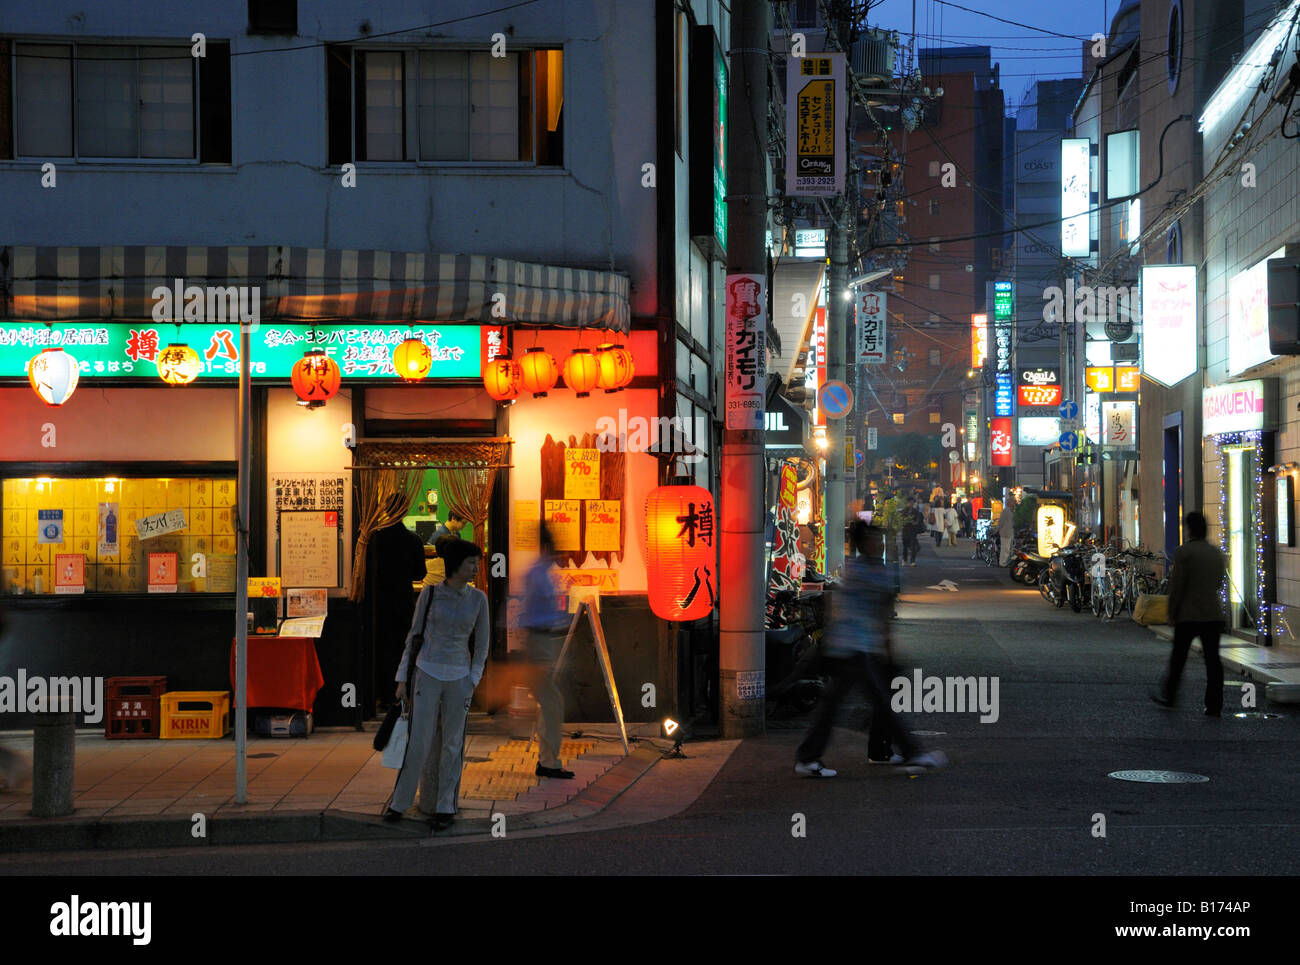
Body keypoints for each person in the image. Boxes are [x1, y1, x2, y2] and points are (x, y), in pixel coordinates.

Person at [795, 521, 946, 777]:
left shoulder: (856, 569)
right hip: (856, 647)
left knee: (837, 704)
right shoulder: (874, 573)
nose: (881, 544)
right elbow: (883, 613)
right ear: (865, 544)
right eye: (876, 540)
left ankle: (810, 758)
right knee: (878, 701)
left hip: (848, 645)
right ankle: (912, 753)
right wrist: (887, 649)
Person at [384, 537, 490, 830]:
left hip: (460, 676)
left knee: (453, 745)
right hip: (426, 672)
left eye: (477, 564)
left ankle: (446, 806)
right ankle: (399, 803)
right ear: (455, 564)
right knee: (418, 741)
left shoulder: (479, 599)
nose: (475, 569)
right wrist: (402, 677)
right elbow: (414, 637)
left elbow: (482, 644)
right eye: (471, 564)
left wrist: (473, 678)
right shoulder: (429, 595)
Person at [1153, 511, 1227, 716]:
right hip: (1212, 614)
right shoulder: (1216, 553)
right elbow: (1219, 581)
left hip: (1188, 614)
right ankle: (1214, 704)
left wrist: (1171, 612)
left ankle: (1170, 696)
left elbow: (1177, 586)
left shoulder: (1185, 552)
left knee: (1179, 658)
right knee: (1213, 661)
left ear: (1189, 529)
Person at [520, 524, 574, 779]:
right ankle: (549, 762)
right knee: (551, 703)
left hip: (541, 640)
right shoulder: (539, 574)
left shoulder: (540, 572)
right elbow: (532, 613)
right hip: (540, 640)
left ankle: (548, 760)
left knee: (550, 702)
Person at [371, 519, 430, 713]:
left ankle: (385, 696)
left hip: (379, 602)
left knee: (383, 648)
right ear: (403, 512)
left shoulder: (376, 538)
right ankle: (405, 695)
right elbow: (420, 572)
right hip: (403, 601)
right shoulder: (412, 539)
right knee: (404, 648)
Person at [900, 497, 923, 566]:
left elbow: (918, 521)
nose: (911, 504)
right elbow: (901, 520)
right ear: (907, 503)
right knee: (905, 547)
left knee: (913, 547)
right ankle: (904, 560)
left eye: (912, 503)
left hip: (912, 531)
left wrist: (914, 522)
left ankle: (912, 561)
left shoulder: (915, 511)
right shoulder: (904, 511)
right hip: (905, 530)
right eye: (910, 502)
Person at [998, 497, 1016, 567]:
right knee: (1005, 549)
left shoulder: (1011, 510)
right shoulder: (1005, 511)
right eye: (1013, 502)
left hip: (1010, 532)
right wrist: (998, 529)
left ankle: (1005, 562)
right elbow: (1001, 522)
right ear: (1009, 503)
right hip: (1005, 532)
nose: (1014, 503)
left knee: (1008, 549)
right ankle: (1002, 563)